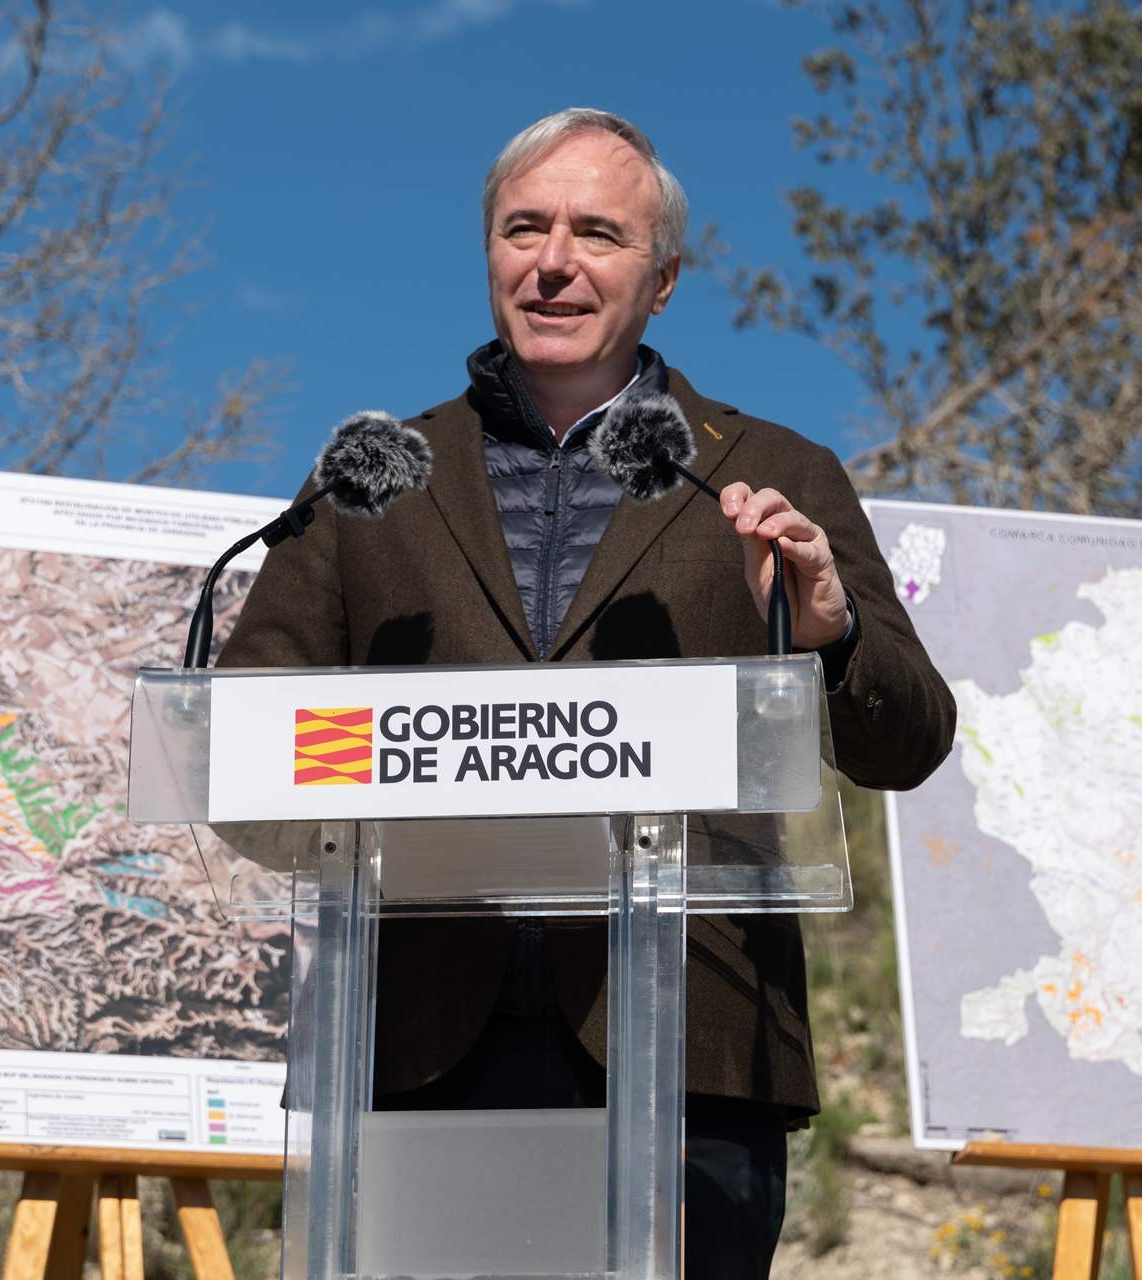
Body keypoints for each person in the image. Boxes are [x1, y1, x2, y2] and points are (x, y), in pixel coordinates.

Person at [218, 107, 956, 1278]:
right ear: (490, 255)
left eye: (596, 233)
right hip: (414, 1048)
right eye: (525, 227)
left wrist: (832, 628)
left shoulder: (777, 470)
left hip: (691, 1050)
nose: (553, 260)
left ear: (662, 280)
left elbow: (909, 737)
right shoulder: (367, 482)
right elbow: (241, 737)